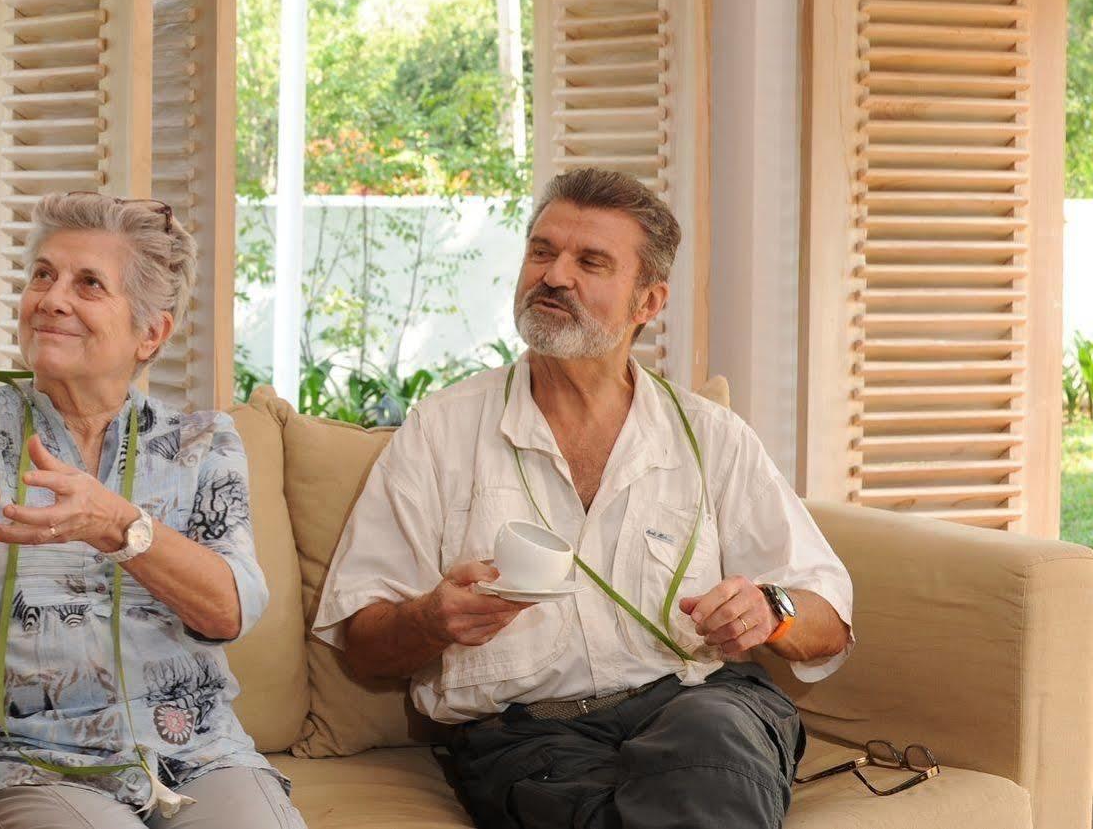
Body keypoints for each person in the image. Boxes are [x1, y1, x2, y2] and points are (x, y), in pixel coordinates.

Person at [313, 167, 854, 829]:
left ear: (646, 302)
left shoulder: (710, 436)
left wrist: (772, 611)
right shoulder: (441, 431)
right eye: (541, 251)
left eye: (589, 261)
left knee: (709, 752)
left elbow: (827, 620)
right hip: (528, 738)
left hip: (700, 706)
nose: (554, 275)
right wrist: (430, 619)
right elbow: (361, 641)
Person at [0, 192, 306, 828]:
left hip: (198, 755)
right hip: (21, 761)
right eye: (42, 275)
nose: (51, 298)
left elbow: (229, 608)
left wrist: (117, 526)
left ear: (151, 333)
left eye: (89, 284)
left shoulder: (200, 445)